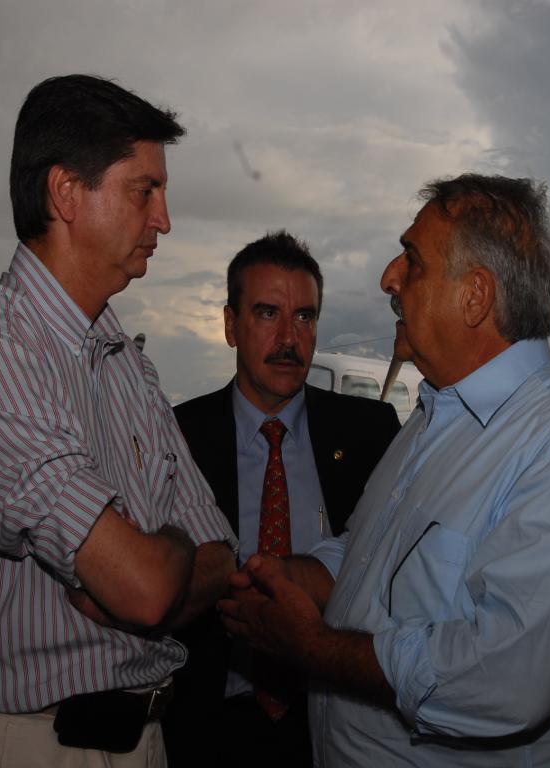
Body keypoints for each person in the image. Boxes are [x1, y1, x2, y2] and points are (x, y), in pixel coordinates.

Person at [220, 173, 550, 766]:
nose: (388, 277)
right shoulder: (433, 416)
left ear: (474, 296)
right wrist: (295, 574)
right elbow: (371, 558)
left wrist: (311, 646)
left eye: (412, 261)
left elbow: (503, 681)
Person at [0, 74, 237, 767]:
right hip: (21, 745)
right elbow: (146, 589)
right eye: (146, 189)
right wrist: (162, 566)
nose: (164, 219)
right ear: (66, 193)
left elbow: (220, 559)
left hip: (142, 741)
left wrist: (155, 566)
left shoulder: (127, 368)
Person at [162, 231, 401, 766]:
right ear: (230, 325)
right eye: (268, 314)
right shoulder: (178, 437)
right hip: (211, 727)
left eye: (306, 317)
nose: (290, 338)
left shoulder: (370, 432)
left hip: (337, 720)